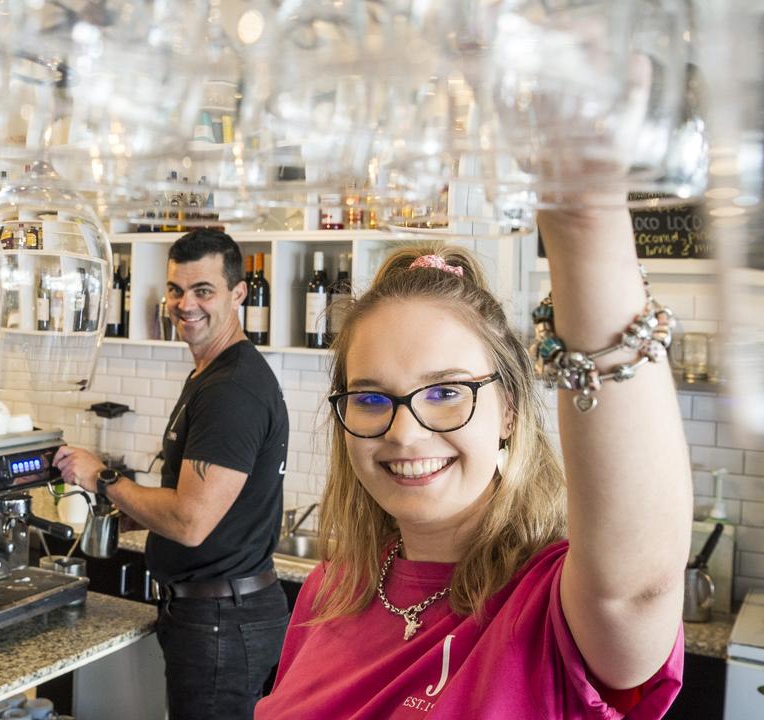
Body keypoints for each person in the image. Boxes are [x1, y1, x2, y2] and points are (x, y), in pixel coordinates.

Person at [255, 205, 691, 719]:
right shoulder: (329, 589)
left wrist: (584, 217)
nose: (405, 433)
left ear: (508, 411)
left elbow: (639, 588)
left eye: (445, 391)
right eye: (371, 399)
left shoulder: (551, 609)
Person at [53, 228, 291, 720]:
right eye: (177, 290)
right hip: (214, 616)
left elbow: (191, 521)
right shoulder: (211, 374)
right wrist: (131, 511)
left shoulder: (231, 390)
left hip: (222, 622)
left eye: (203, 291)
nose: (186, 305)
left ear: (238, 293)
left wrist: (102, 478)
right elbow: (198, 503)